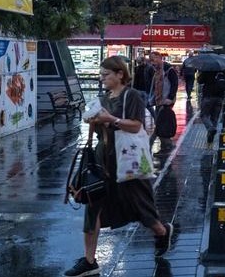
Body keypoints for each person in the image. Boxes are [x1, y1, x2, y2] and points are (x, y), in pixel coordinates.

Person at [65, 56, 172, 277]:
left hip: (128, 160)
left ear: (120, 74)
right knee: (92, 205)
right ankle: (89, 260)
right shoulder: (103, 98)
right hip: (104, 158)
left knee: (141, 204)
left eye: (106, 75)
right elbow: (100, 131)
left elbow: (135, 126)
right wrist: (93, 121)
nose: (102, 79)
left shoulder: (131, 96)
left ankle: (162, 231)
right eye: (101, 75)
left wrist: (110, 119)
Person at [150, 52, 179, 147]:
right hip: (159, 101)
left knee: (160, 123)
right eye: (151, 60)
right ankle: (165, 145)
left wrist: (170, 98)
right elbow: (155, 86)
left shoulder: (168, 70)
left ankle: (153, 144)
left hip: (166, 101)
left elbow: (175, 83)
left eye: (153, 59)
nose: (152, 62)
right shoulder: (156, 71)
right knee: (160, 123)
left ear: (160, 58)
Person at [197, 69, 225, 143]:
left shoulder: (207, 70)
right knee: (215, 117)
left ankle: (210, 128)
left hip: (208, 96)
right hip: (219, 98)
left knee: (204, 115)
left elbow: (199, 81)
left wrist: (201, 73)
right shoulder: (223, 72)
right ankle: (210, 136)